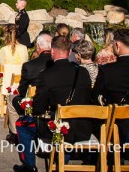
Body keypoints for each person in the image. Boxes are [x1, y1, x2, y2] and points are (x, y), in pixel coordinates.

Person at [14, 35, 92, 172]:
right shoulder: (83, 72)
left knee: (22, 124)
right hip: (82, 129)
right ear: (69, 52)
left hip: (58, 129)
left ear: (52, 52)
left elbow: (38, 108)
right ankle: (63, 163)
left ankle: (29, 165)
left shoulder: (47, 75)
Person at [0, 24, 28, 114]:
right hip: (20, 80)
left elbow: (2, 67)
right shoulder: (24, 48)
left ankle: (1, 106)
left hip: (7, 82)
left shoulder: (4, 50)